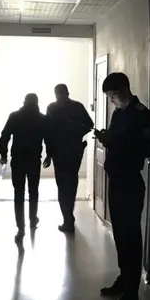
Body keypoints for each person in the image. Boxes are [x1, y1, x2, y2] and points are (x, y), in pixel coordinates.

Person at [93, 73, 150, 300]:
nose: (112, 100)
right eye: (109, 96)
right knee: (119, 234)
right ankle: (124, 278)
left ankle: (132, 289)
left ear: (125, 89)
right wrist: (107, 139)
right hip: (116, 180)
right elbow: (117, 141)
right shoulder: (118, 113)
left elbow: (145, 149)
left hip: (130, 182)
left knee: (131, 236)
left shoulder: (141, 114)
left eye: (114, 95)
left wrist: (114, 141)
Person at [0, 93, 52, 242]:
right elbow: (49, 139)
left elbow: (4, 137)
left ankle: (20, 227)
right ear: (37, 103)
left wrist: (4, 155)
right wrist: (49, 155)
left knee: (19, 193)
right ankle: (33, 219)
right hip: (34, 160)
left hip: (18, 160)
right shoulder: (42, 119)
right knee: (33, 191)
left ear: (24, 102)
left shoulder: (15, 116)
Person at [43, 83, 94, 233]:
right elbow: (88, 125)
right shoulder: (76, 107)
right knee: (69, 183)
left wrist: (49, 154)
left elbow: (48, 133)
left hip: (63, 151)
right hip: (71, 150)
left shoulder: (53, 108)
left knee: (65, 184)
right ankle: (68, 217)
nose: (59, 97)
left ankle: (68, 218)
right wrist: (76, 134)